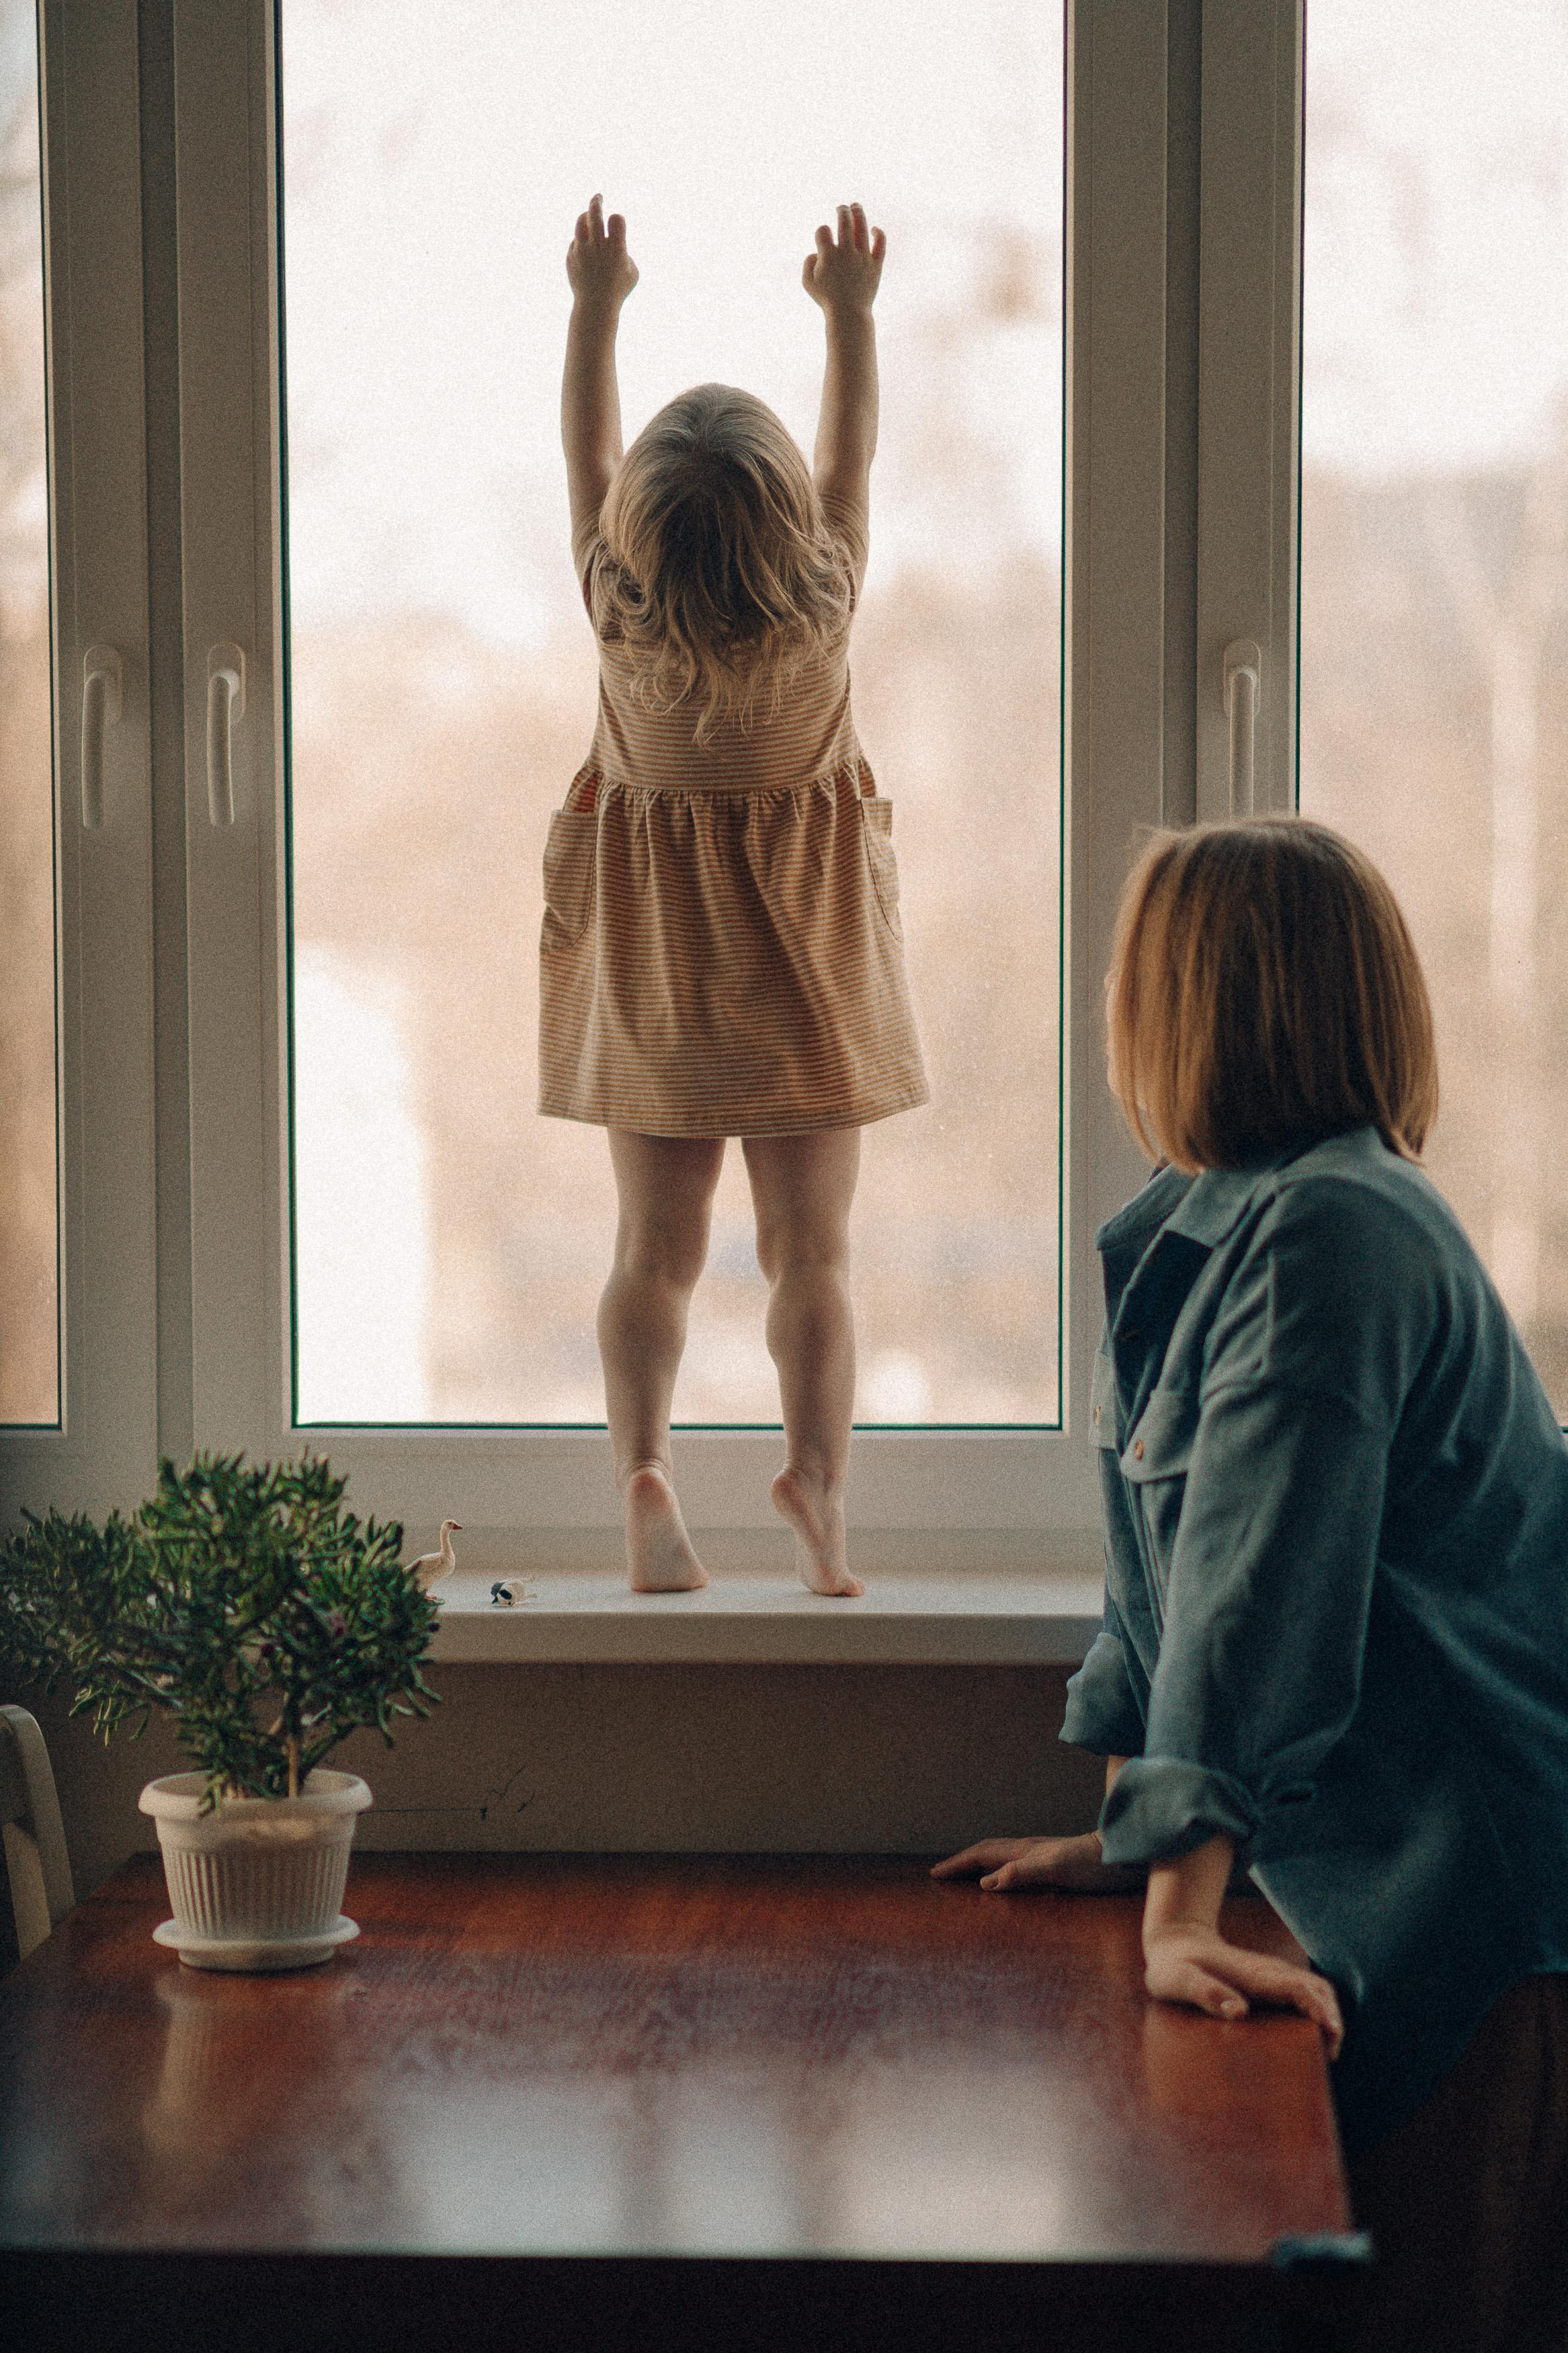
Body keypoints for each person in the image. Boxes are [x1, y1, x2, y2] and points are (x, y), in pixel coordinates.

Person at [935, 818, 1568, 2353]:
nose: (1108, 1009)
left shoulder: (1333, 1234)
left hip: (1474, 1916)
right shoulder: (1194, 1231)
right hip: (1353, 1887)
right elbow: (1162, 1583)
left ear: (1194, 1005)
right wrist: (1130, 1834)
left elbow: (1256, 1593)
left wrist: (1178, 1909)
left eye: (1126, 978)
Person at [539, 195, 927, 1598]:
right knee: (810, 1257)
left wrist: (597, 306)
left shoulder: (620, 614)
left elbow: (586, 452)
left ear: (640, 533)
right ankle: (815, 1484)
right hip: (811, 995)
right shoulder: (823, 609)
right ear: (788, 531)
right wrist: (850, 318)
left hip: (660, 997)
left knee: (654, 1255)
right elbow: (852, 456)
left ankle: (645, 1467)